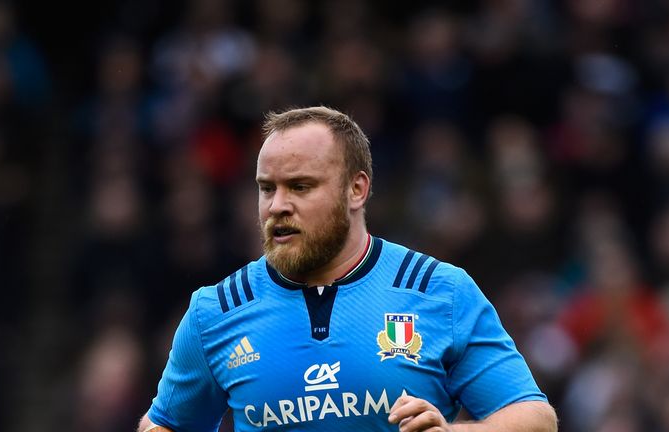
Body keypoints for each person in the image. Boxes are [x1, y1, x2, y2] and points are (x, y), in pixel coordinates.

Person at [138, 106, 557, 431]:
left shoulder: (439, 292)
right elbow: (166, 423)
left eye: (300, 186)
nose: (277, 205)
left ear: (357, 189)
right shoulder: (217, 311)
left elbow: (535, 419)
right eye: (267, 188)